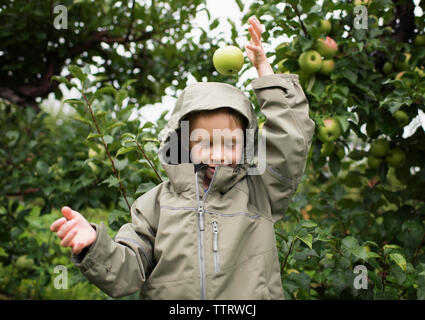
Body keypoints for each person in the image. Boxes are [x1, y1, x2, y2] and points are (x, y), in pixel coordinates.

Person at [50, 15, 315, 299]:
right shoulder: (154, 205)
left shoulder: (260, 191)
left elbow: (292, 137)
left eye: (230, 143)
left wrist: (264, 68)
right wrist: (95, 246)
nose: (217, 153)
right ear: (183, 143)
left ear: (247, 146)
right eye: (204, 142)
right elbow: (126, 273)